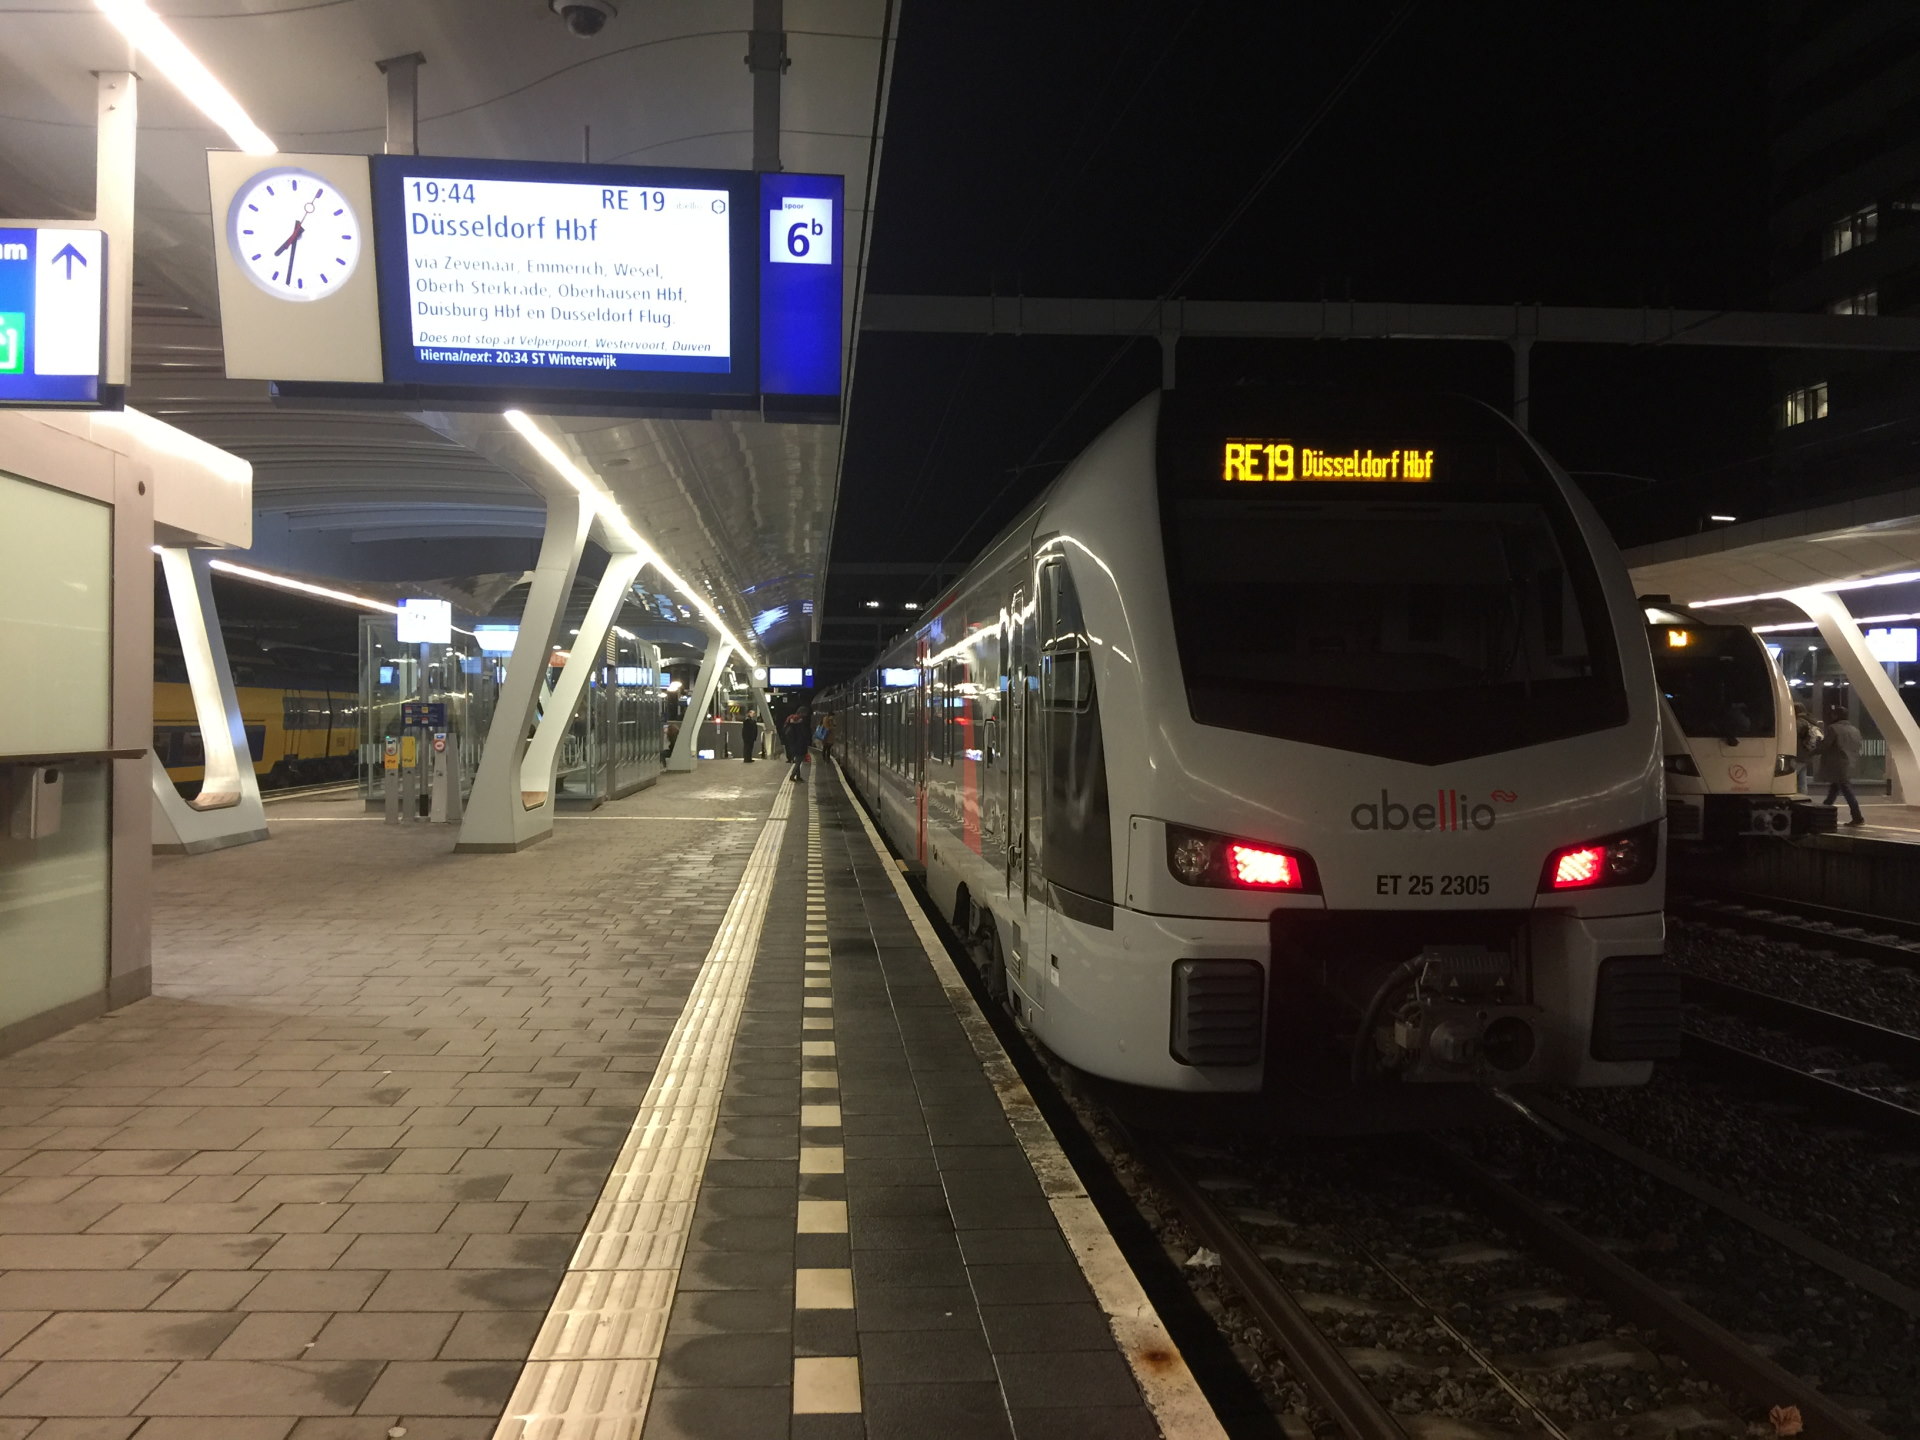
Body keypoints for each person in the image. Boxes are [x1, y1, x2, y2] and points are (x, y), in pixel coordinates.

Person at [1813, 704, 1865, 826]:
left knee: (1846, 790)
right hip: (1850, 763)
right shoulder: (1855, 730)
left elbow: (1825, 746)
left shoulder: (1833, 728)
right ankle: (1823, 812)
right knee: (1834, 789)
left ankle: (1857, 817)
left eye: (1833, 714)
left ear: (1836, 716)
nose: (1831, 716)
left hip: (1838, 764)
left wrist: (1815, 745)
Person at [783, 711, 810, 782]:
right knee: (798, 762)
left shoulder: (789, 727)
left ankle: (798, 777)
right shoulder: (797, 728)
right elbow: (802, 738)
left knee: (798, 761)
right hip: (799, 747)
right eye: (799, 719)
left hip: (794, 747)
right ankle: (792, 776)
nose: (801, 719)